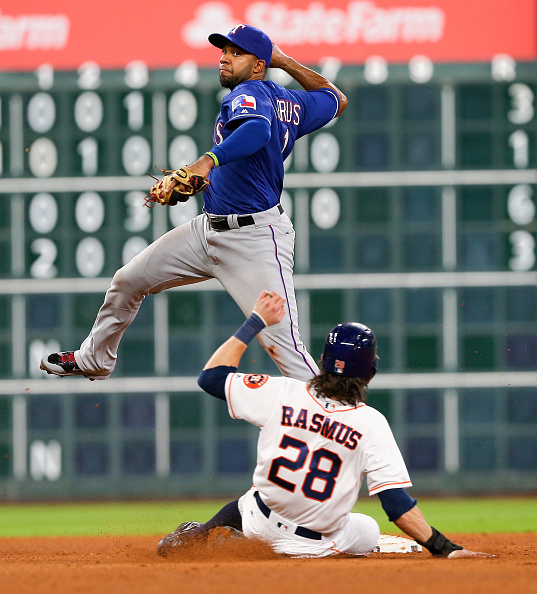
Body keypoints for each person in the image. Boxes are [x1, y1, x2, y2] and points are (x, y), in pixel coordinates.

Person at [40, 24, 347, 382]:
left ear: (258, 66)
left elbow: (258, 129)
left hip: (256, 242)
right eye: (224, 51)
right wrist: (286, 62)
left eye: (236, 53)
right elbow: (335, 98)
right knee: (128, 281)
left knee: (285, 348)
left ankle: (336, 416)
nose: (224, 59)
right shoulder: (290, 102)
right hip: (207, 231)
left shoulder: (245, 94)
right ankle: (94, 358)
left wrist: (207, 162)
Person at [157, 290, 494, 559]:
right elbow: (395, 504)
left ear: (323, 362)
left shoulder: (284, 392)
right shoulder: (370, 423)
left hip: (258, 521)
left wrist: (255, 321)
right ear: (370, 372)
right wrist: (443, 547)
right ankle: (250, 544)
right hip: (309, 545)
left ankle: (198, 536)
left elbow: (211, 378)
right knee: (367, 529)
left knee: (254, 500)